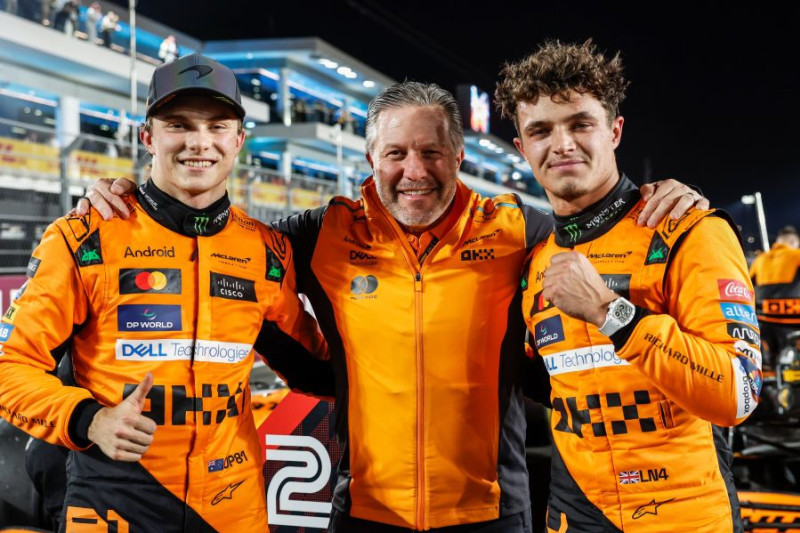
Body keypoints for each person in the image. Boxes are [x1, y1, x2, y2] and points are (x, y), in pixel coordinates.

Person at [79, 79, 706, 531]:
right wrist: (137, 201)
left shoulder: (519, 229)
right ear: (371, 159)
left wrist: (653, 198)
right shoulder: (321, 231)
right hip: (365, 512)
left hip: (492, 512)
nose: (415, 170)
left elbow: (596, 219)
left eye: (431, 152)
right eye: (396, 153)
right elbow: (222, 239)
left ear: (459, 156)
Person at [0, 53, 331, 532]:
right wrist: (88, 419)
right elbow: (10, 366)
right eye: (179, 125)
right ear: (148, 137)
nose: (199, 142)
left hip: (233, 506)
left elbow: (317, 368)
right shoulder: (83, 237)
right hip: (114, 500)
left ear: (238, 140)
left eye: (217, 127)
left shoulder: (265, 250)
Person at [495, 39, 760, 532]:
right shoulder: (533, 262)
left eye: (580, 124)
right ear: (522, 148)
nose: (562, 144)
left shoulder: (689, 230)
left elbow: (739, 395)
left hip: (685, 515)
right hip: (573, 514)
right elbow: (550, 386)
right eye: (541, 130)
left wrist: (610, 312)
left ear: (615, 131)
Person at [749, 225, 800, 367]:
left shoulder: (760, 260)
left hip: (764, 321)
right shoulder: (796, 255)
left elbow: (748, 285)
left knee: (770, 363)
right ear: (793, 242)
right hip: (793, 321)